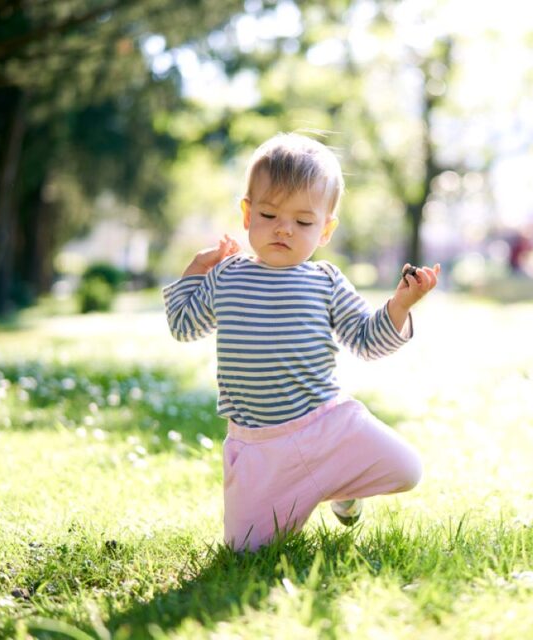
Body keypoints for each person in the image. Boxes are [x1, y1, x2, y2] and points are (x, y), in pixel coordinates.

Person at [162, 132, 441, 552]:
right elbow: (184, 325)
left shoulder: (324, 281)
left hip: (325, 425)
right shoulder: (227, 275)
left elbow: (367, 341)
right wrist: (195, 271)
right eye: (270, 215)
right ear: (247, 213)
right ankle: (312, 484)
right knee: (245, 551)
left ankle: (341, 482)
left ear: (326, 229)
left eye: (304, 221)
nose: (284, 230)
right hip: (257, 444)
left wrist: (400, 306)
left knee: (408, 468)